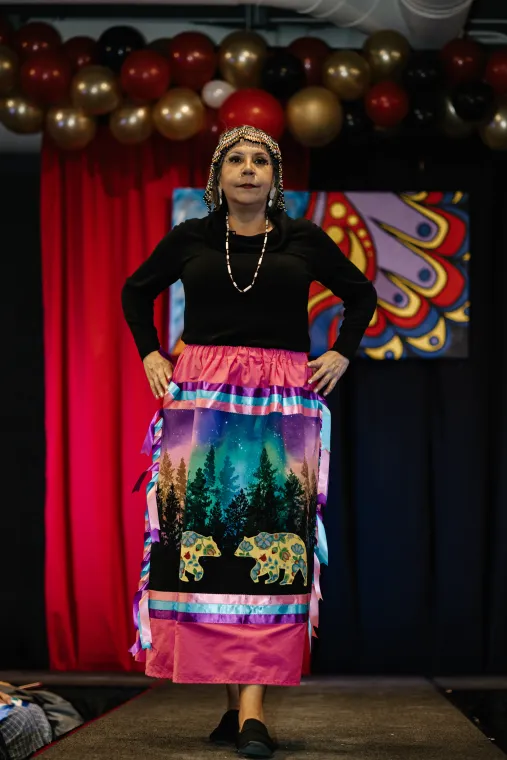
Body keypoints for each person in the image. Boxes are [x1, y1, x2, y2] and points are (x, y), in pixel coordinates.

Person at [122, 124, 377, 758]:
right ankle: (234, 707)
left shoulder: (302, 239)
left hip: (282, 398)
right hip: (204, 395)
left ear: (274, 176)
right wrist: (152, 352)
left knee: (274, 548)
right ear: (218, 175)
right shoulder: (192, 238)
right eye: (234, 159)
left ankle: (255, 713)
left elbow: (361, 295)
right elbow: (135, 292)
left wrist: (342, 354)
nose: (246, 169)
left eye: (259, 160)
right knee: (208, 549)